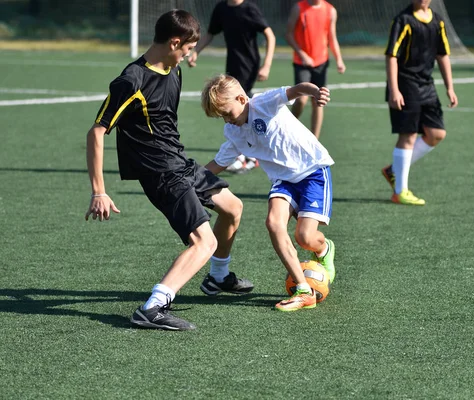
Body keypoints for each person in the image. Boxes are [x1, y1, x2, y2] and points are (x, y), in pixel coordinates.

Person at [84, 10, 254, 331]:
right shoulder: (131, 81)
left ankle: (217, 278)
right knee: (204, 242)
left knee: (232, 207)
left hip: (180, 162)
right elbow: (97, 131)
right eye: (188, 47)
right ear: (175, 42)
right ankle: (153, 307)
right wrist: (99, 191)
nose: (190, 54)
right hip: (161, 173)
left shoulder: (174, 70)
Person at [201, 74, 336, 312]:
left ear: (242, 99)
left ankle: (324, 249)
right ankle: (304, 291)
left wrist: (314, 91)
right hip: (283, 181)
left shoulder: (264, 103)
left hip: (313, 171)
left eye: (227, 113)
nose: (226, 120)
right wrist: (190, 180)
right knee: (274, 223)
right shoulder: (234, 133)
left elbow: (296, 90)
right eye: (220, 117)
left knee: (305, 238)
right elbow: (218, 163)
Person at [381, 0, 458, 205]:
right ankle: (400, 191)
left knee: (436, 134)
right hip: (405, 85)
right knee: (408, 135)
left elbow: (442, 56)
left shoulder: (438, 22)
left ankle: (393, 171)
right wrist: (394, 89)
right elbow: (391, 56)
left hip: (427, 85)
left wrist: (449, 87)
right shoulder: (403, 20)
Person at [188, 0, 276, 173]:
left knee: (241, 110)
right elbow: (210, 33)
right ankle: (248, 156)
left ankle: (245, 156)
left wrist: (267, 65)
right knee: (239, 112)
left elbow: (270, 35)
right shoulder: (222, 8)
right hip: (233, 66)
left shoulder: (249, 8)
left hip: (249, 66)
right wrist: (195, 52)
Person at [285, 0, 346, 140]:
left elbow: (332, 37)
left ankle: (314, 140)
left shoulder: (330, 10)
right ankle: (287, 126)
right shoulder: (299, 8)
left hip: (321, 63)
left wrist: (339, 59)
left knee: (318, 100)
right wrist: (302, 54)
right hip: (302, 62)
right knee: (300, 99)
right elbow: (288, 35)